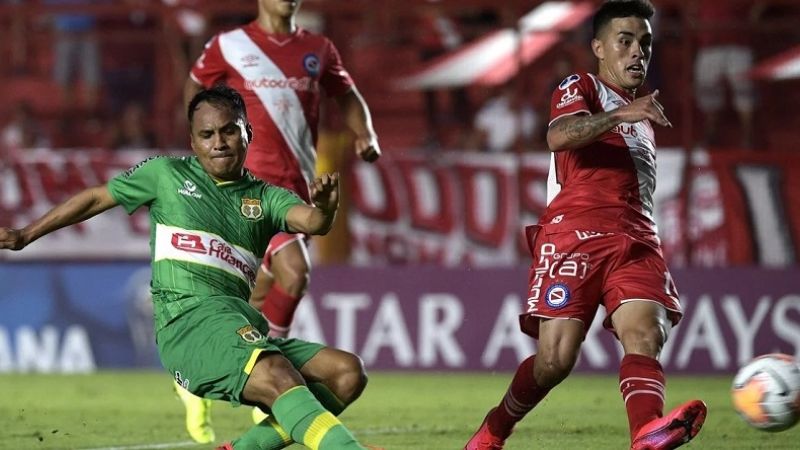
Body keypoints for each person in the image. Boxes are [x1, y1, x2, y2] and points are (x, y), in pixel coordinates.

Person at [0, 85, 373, 450]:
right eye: (207, 135)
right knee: (278, 376)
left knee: (346, 373)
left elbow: (312, 222)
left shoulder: (265, 197)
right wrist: (26, 234)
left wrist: (326, 208)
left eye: (229, 131)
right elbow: (97, 198)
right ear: (193, 142)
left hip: (235, 323)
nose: (219, 142)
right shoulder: (165, 175)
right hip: (187, 326)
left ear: (248, 132)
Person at [464, 2, 707, 449]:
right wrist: (617, 116)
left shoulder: (642, 119)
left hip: (637, 238)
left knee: (646, 332)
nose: (638, 52)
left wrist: (628, 115)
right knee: (555, 360)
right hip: (576, 233)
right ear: (598, 47)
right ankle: (493, 430)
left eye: (646, 43)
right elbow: (558, 136)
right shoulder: (582, 86)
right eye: (625, 41)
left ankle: (646, 433)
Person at [179, 0, 381, 442]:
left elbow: (347, 95)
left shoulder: (318, 48)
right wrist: (203, 149)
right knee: (295, 271)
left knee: (258, 293)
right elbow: (194, 87)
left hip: (296, 189)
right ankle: (273, 377)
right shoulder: (229, 44)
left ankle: (196, 380)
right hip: (247, 187)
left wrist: (365, 132)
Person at [692, 0, 764, 148]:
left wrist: (753, 16)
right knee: (708, 90)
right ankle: (711, 134)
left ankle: (748, 137)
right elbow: (691, 9)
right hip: (710, 44)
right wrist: (697, 25)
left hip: (738, 43)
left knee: (744, 90)